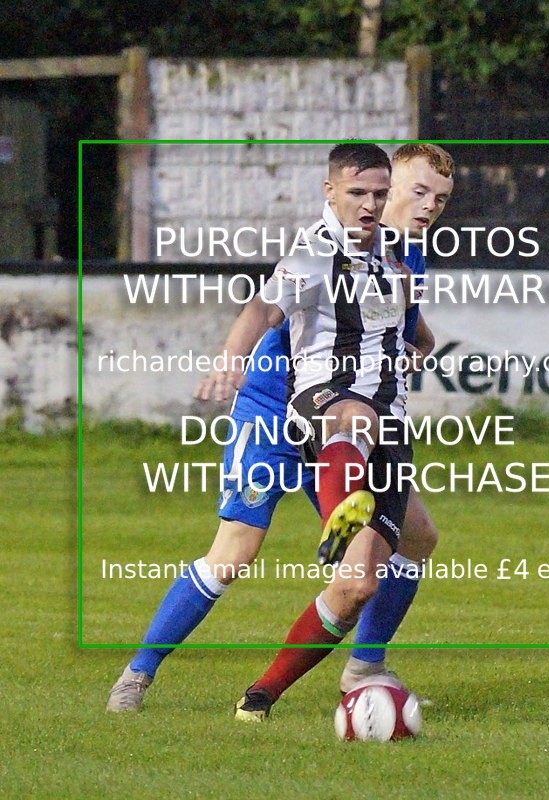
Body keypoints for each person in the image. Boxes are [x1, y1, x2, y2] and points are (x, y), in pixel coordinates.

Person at [106, 143, 454, 714]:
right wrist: (232, 357)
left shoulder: (404, 255)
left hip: (348, 417)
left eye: (439, 201)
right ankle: (138, 673)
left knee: (415, 538)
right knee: (235, 552)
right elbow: (265, 308)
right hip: (274, 411)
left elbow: (407, 329)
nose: (427, 207)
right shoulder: (322, 248)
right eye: (417, 192)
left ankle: (364, 667)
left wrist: (414, 349)